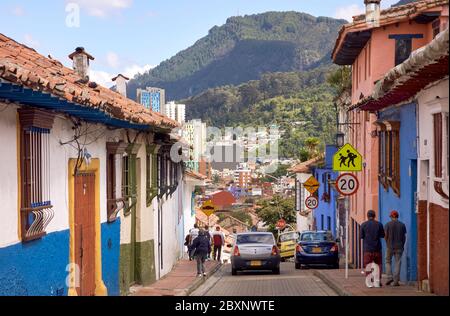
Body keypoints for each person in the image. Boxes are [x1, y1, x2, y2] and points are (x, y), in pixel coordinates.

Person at [360, 210, 385, 288]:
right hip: (377, 248)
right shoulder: (379, 224)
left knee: (368, 265)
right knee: (378, 265)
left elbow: (361, 236)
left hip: (367, 249)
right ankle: (377, 281)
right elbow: (382, 235)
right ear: (374, 216)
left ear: (367, 216)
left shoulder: (363, 225)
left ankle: (369, 282)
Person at [384, 210, 407, 287]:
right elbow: (404, 237)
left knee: (387, 261)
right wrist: (402, 245)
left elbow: (385, 236)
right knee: (397, 263)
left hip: (389, 246)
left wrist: (387, 243)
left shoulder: (387, 225)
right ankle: (396, 281)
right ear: (397, 216)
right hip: (399, 247)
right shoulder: (402, 225)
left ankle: (389, 277)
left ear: (392, 216)